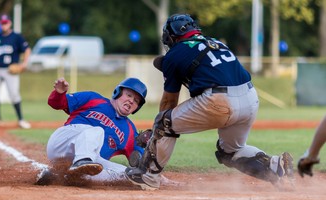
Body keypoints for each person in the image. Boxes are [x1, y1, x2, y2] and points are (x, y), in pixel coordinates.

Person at [125, 13, 294, 190]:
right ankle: (275, 165)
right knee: (229, 151)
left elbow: (168, 101)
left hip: (219, 100)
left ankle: (148, 176)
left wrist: (156, 132)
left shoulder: (175, 53)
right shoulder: (216, 42)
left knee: (164, 122)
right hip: (250, 98)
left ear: (172, 36)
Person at [36, 77, 148, 186]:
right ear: (117, 92)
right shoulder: (94, 99)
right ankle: (81, 161)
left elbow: (139, 161)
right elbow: (56, 104)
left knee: (129, 175)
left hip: (90, 162)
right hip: (63, 143)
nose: (131, 101)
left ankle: (61, 176)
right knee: (97, 131)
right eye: (129, 95)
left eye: (136, 100)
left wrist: (151, 149)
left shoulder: (130, 131)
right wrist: (59, 93)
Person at [0, 14, 31, 129]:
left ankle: (21, 119)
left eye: (6, 23)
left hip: (10, 70)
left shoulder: (16, 37)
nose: (4, 25)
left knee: (14, 94)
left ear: (10, 23)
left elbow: (27, 49)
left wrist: (24, 63)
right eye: (2, 23)